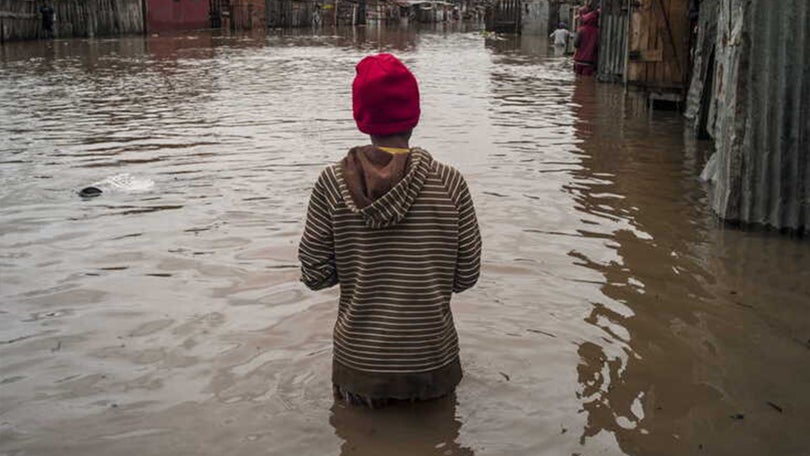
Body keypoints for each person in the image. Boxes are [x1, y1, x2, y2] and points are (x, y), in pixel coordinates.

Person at [298, 53, 482, 408]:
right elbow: (466, 277)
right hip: (433, 364)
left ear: (362, 117)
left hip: (359, 367)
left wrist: (360, 261)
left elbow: (315, 275)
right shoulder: (450, 183)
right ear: (414, 115)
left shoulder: (331, 183)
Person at [574, 6, 600, 76]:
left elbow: (576, 44)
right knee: (586, 79)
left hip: (578, 59)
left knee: (577, 80)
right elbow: (598, 46)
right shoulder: (597, 31)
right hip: (590, 61)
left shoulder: (581, 30)